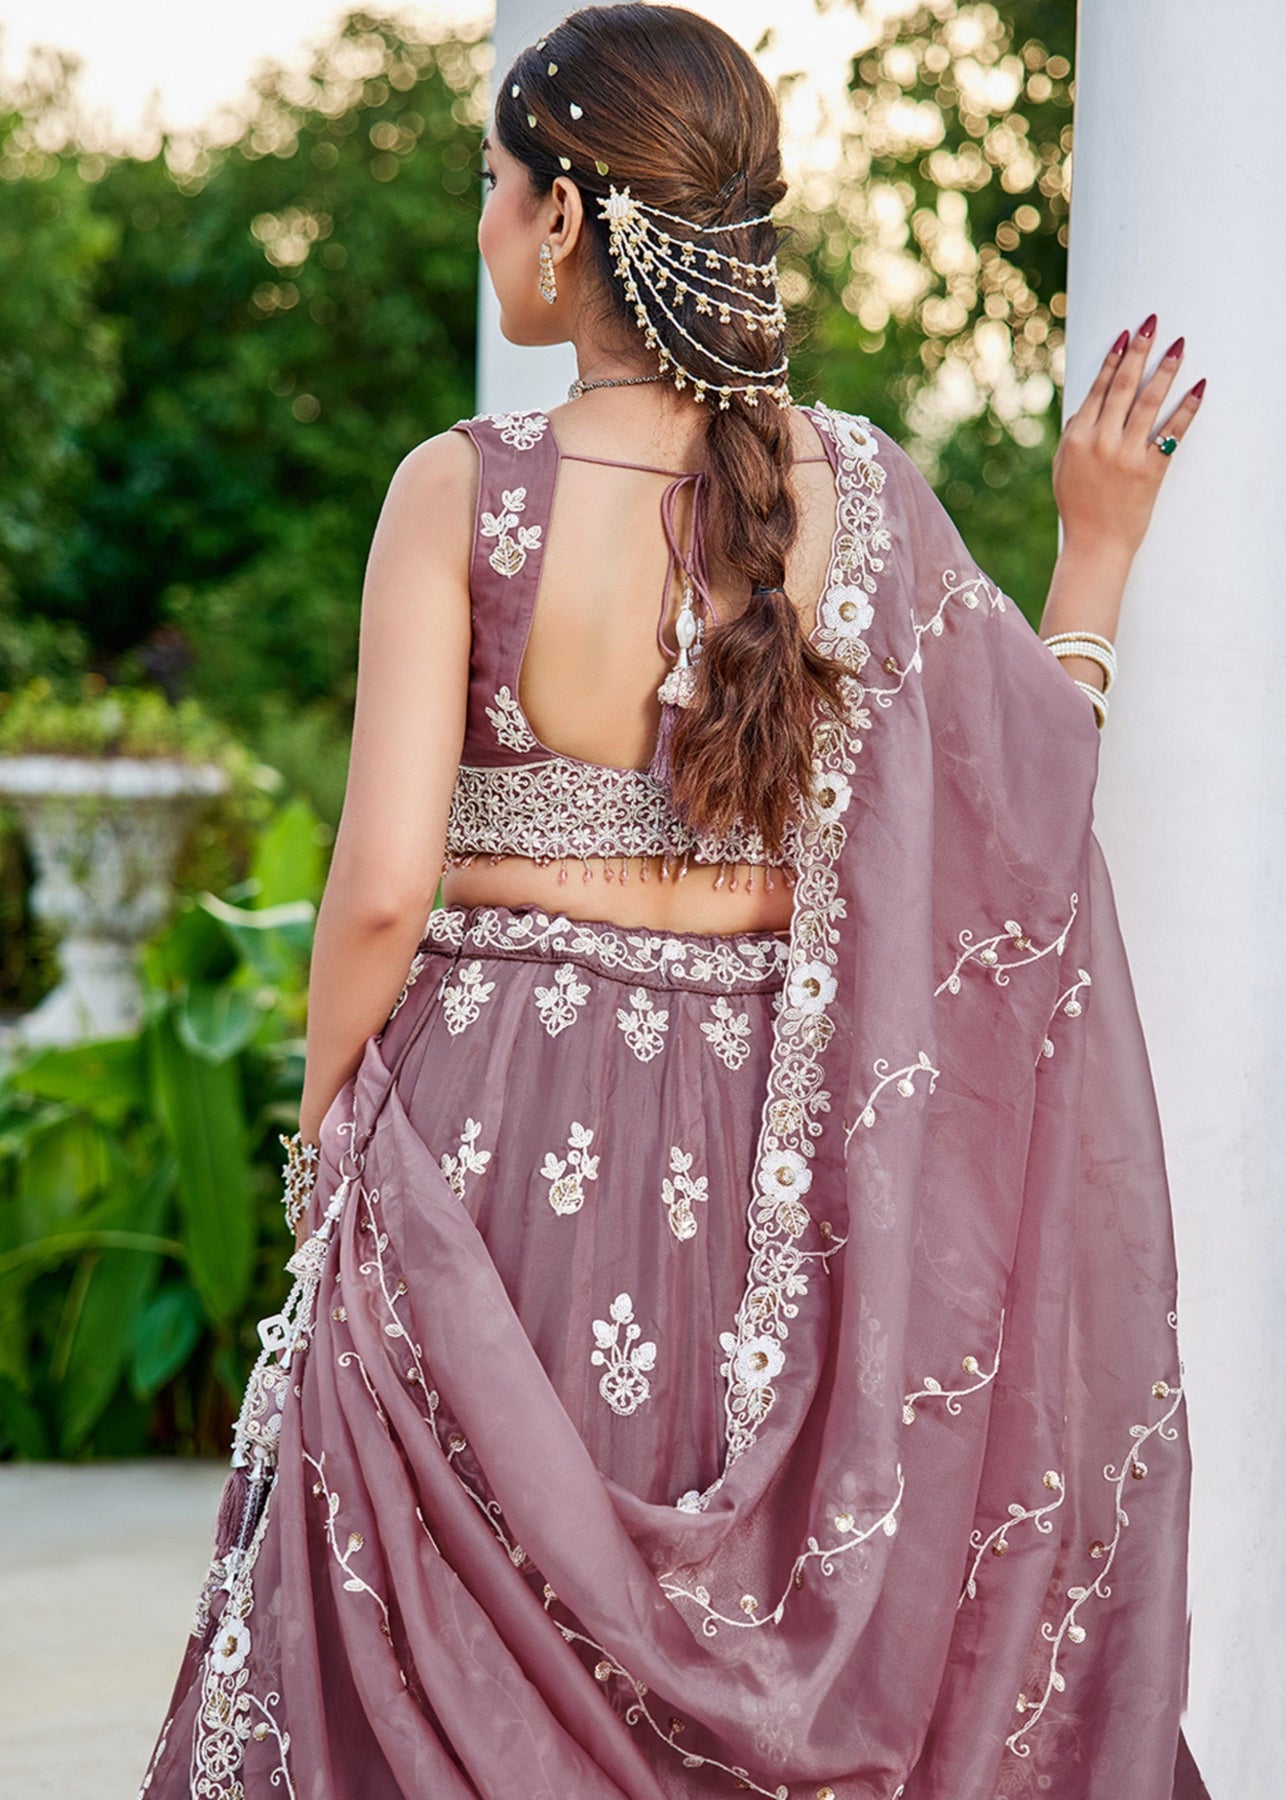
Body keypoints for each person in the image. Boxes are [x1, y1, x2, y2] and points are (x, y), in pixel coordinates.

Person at [137, 7, 1211, 1797]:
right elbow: (1016, 820)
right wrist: (1090, 553)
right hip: (759, 1159)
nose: (485, 220)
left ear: (563, 217)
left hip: (481, 1140)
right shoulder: (860, 495)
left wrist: (327, 1133)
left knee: (437, 1651)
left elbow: (382, 887)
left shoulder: (459, 489)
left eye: (492, 183)